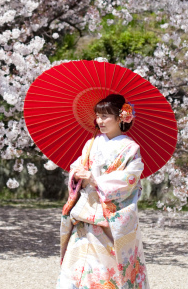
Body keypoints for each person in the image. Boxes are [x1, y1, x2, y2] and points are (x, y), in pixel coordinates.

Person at [56, 94, 149, 289]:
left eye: (106, 116)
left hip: (108, 217)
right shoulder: (91, 143)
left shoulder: (130, 148)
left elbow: (130, 178)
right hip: (85, 212)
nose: (100, 121)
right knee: (73, 270)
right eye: (98, 116)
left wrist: (95, 180)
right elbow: (77, 167)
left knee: (104, 270)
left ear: (120, 118)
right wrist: (77, 174)